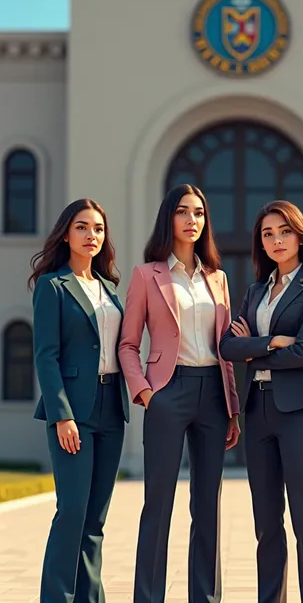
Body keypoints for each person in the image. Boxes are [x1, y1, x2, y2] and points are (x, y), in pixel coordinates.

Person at [119, 183, 240, 603]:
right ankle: (148, 597)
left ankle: (205, 597)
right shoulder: (146, 275)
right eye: (184, 212)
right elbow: (128, 344)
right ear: (168, 218)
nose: (192, 220)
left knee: (207, 506)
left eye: (200, 213)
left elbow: (224, 347)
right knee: (158, 505)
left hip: (212, 393)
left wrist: (233, 408)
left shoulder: (218, 278)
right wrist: (147, 394)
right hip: (168, 392)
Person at [220, 200, 303, 603]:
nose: (276, 240)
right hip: (258, 409)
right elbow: (228, 346)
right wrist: (268, 342)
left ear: (300, 236)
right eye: (268, 234)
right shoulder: (255, 291)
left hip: (298, 410)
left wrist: (254, 350)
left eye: (284, 231)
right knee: (266, 523)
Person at [29, 198, 129, 603]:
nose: (92, 235)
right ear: (67, 233)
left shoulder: (109, 288)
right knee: (72, 513)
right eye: (83, 227)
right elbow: (45, 356)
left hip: (111, 406)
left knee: (95, 520)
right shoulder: (53, 286)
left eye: (98, 229)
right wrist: (61, 416)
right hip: (73, 411)